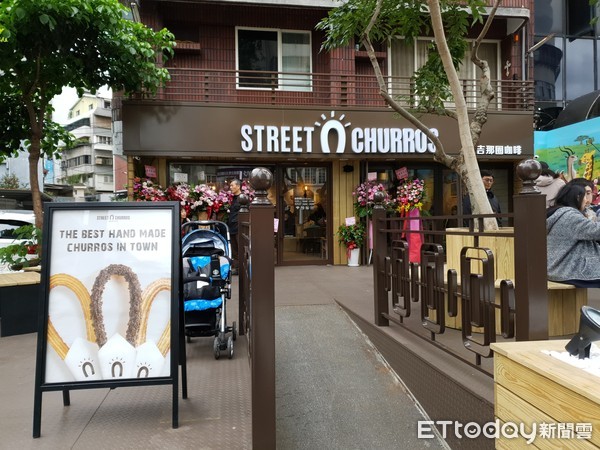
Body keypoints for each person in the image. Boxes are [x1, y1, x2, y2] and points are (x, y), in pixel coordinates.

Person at [546, 182, 600, 287]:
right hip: (569, 271)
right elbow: (596, 231)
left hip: (559, 268)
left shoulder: (558, 212)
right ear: (577, 197)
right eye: (585, 196)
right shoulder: (570, 216)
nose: (587, 200)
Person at [227, 179, 241, 274]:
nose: (230, 187)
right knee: (234, 250)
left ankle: (242, 268)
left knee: (240, 248)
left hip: (238, 227)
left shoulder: (243, 198)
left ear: (238, 186)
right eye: (230, 186)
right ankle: (237, 268)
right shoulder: (234, 198)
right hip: (232, 227)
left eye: (232, 185)